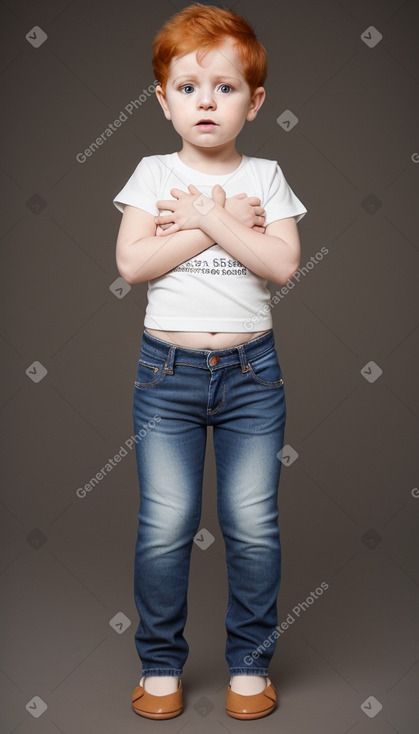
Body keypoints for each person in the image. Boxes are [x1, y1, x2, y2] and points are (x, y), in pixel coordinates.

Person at [113, 2, 307, 721]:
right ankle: (160, 667)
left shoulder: (267, 175)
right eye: (188, 87)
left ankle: (249, 667)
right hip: (165, 376)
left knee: (251, 522)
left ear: (253, 103)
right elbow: (133, 263)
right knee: (165, 522)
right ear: (163, 100)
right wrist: (219, 225)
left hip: (251, 376)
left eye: (224, 87)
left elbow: (282, 264)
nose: (205, 101)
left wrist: (204, 217)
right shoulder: (150, 172)